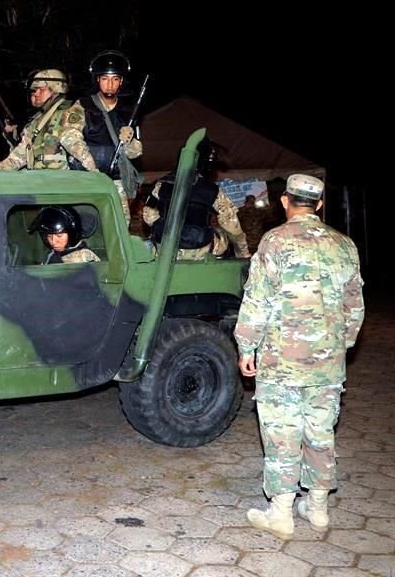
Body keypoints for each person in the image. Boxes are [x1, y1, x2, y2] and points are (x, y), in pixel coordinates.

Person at [234, 174, 364, 540]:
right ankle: (318, 510)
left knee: (282, 434)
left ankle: (281, 514)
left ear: (285, 202)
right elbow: (355, 307)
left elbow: (256, 302)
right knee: (321, 433)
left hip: (281, 363)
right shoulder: (345, 245)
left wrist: (247, 346)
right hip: (327, 363)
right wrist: (340, 346)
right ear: (320, 205)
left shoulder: (274, 242)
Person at [65, 51, 143, 224]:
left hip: (115, 183)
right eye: (105, 79)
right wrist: (91, 168)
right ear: (97, 80)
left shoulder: (127, 112)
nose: (110, 85)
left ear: (121, 81)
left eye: (115, 79)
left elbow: (136, 153)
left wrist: (129, 142)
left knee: (120, 227)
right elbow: (69, 138)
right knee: (84, 224)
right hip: (86, 179)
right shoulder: (82, 105)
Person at [142, 139, 250, 260]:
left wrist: (162, 226)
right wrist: (243, 253)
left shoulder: (161, 184)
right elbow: (232, 227)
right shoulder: (211, 189)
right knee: (223, 236)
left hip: (164, 250)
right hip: (200, 250)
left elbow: (148, 215)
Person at [0, 69, 96, 173]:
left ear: (56, 89)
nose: (36, 94)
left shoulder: (69, 111)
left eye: (41, 89)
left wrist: (93, 170)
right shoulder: (37, 119)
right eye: (34, 90)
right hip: (39, 178)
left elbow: (73, 142)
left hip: (61, 180)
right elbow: (20, 154)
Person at [28, 206, 99, 264]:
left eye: (59, 236)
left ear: (72, 234)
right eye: (49, 236)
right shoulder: (52, 254)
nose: (53, 242)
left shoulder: (84, 257)